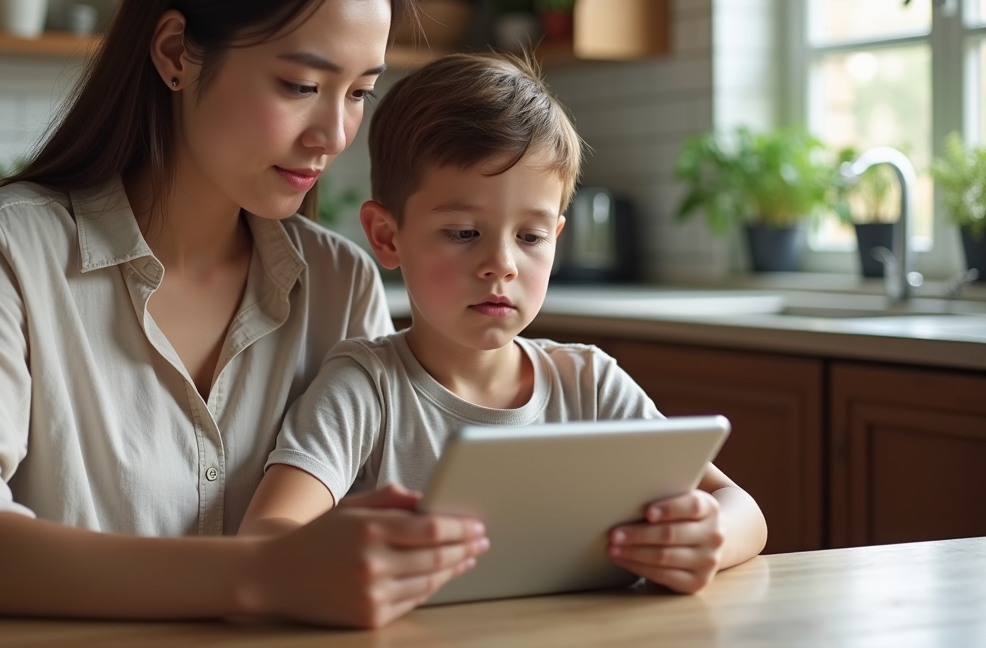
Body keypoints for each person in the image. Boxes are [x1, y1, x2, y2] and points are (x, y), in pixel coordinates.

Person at [0, 0, 489, 630]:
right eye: (298, 84)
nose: (334, 134)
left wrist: (647, 543)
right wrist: (259, 574)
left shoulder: (339, 281)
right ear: (176, 52)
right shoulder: (0, 252)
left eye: (359, 92)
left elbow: (409, 535)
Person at [239, 52, 768, 594]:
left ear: (556, 239)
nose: (502, 264)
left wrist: (711, 538)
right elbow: (266, 535)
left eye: (531, 237)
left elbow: (743, 509)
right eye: (464, 233)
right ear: (386, 237)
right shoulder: (364, 388)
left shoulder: (590, 383)